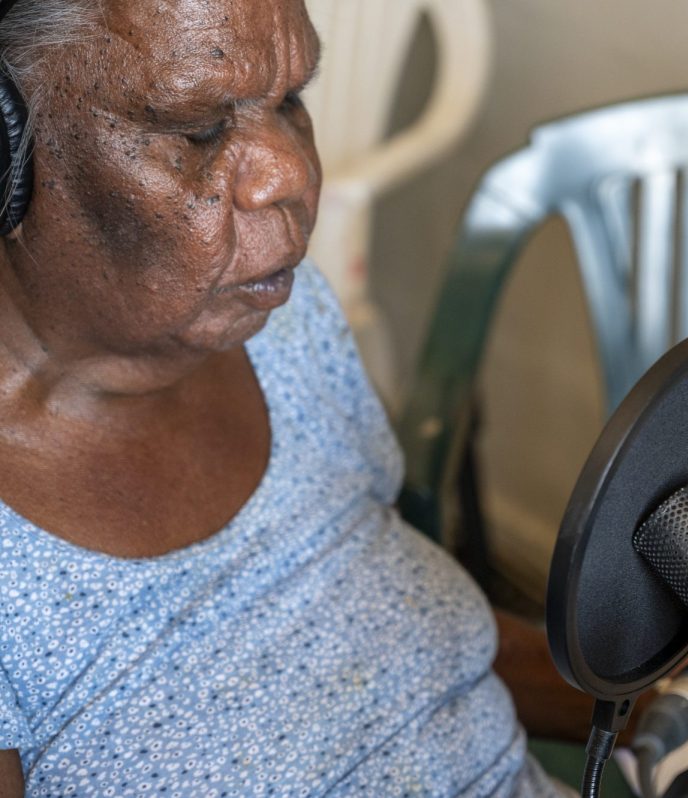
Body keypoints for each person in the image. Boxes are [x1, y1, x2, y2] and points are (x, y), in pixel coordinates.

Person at [0, 1, 578, 795]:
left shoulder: (281, 320)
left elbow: (390, 611)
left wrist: (668, 697)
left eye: (292, 102)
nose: (294, 174)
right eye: (198, 128)